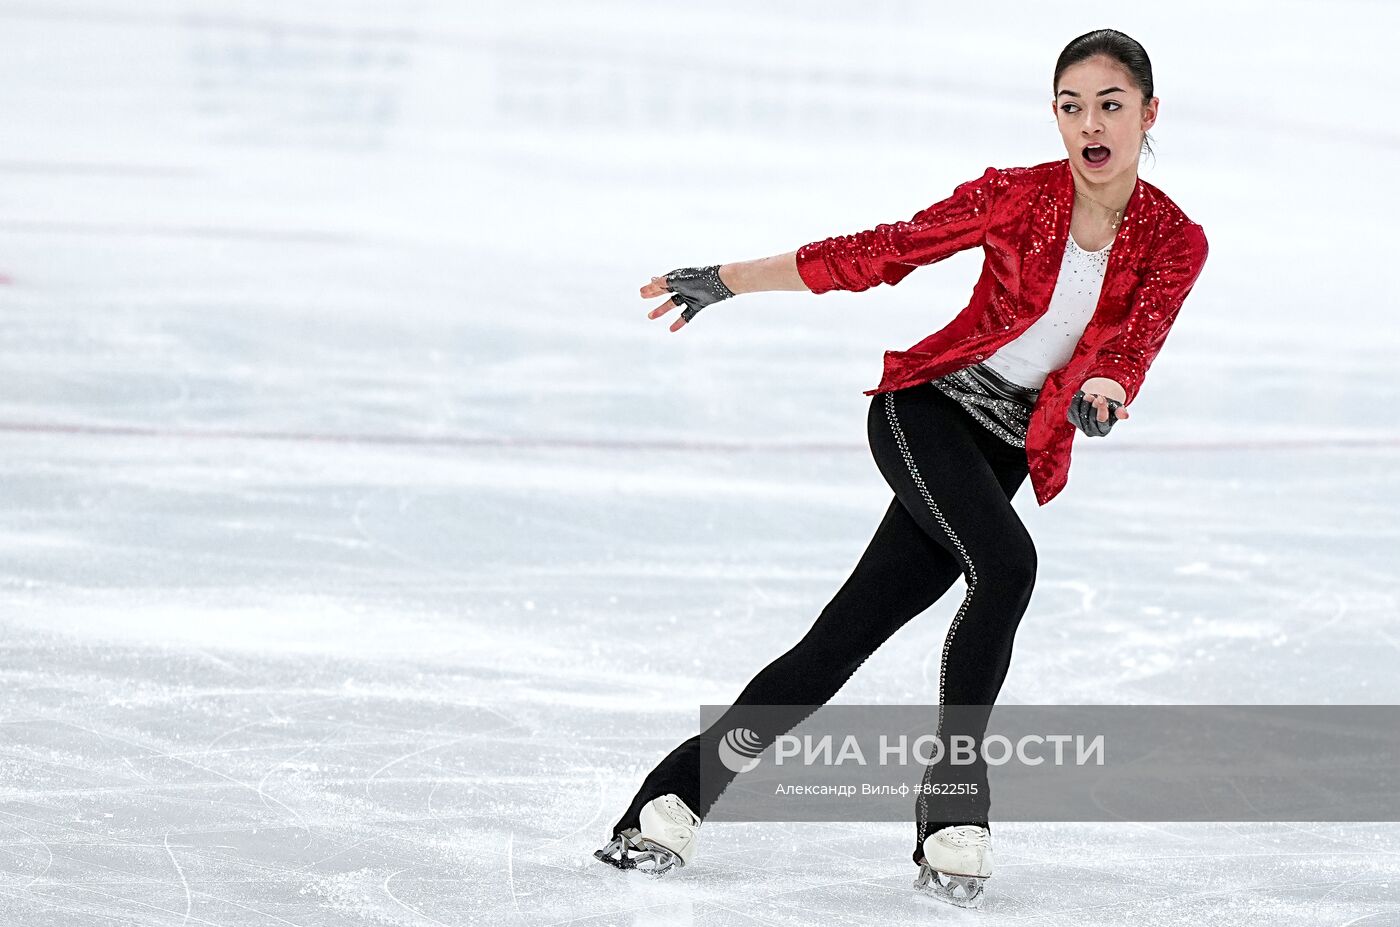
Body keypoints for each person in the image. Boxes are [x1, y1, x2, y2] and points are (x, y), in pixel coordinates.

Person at [593, 28, 1209, 908]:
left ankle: (671, 797)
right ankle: (954, 803)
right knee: (1008, 566)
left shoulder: (1174, 240)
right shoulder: (1014, 196)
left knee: (840, 640)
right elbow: (882, 251)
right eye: (1071, 106)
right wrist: (731, 279)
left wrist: (1106, 387)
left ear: (1149, 114)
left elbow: (1132, 341)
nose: (1090, 124)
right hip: (925, 412)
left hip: (998, 453)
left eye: (1110, 105)